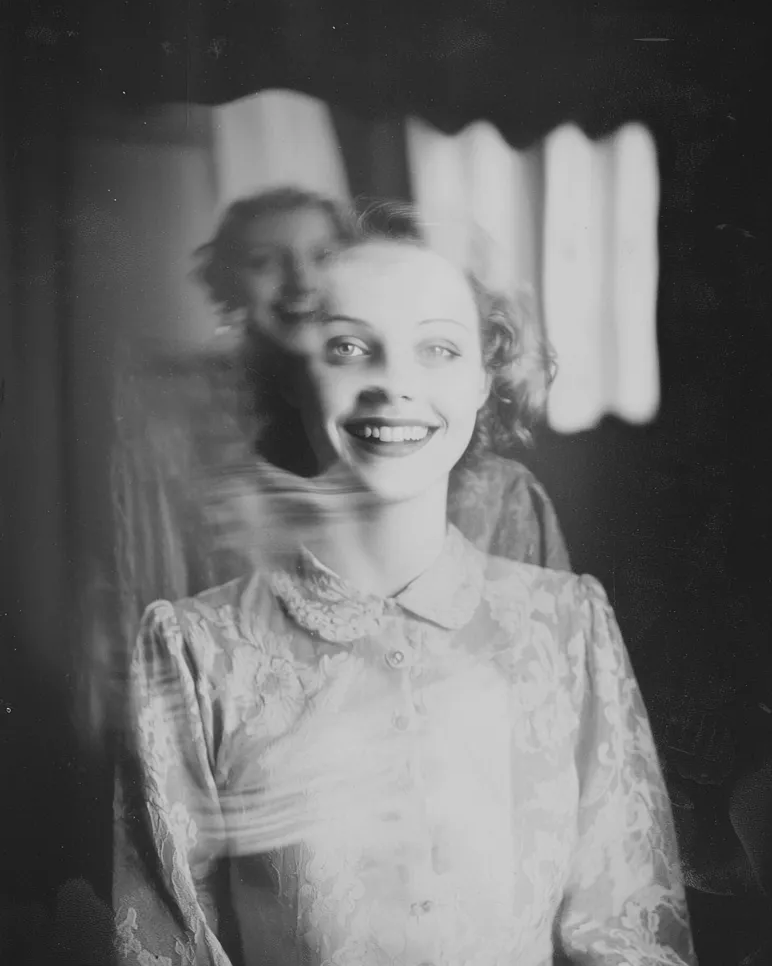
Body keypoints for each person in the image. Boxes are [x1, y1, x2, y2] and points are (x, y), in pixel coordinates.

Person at [114, 232, 695, 965]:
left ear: (486, 377)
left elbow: (632, 939)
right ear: (292, 372)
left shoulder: (568, 625)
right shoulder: (195, 651)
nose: (393, 382)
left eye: (440, 349)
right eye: (351, 347)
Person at [190, 186, 571, 570]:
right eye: (263, 262)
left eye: (323, 255)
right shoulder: (211, 479)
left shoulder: (499, 495)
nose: (302, 280)